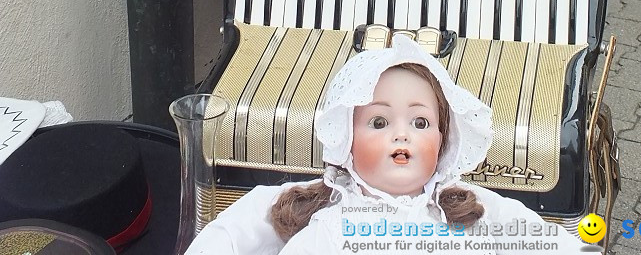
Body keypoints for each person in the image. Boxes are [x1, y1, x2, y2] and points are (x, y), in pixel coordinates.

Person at [184, 34, 582, 254]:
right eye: (378, 121)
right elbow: (232, 234)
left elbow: (537, 237)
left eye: (421, 121)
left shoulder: (464, 207)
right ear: (347, 140)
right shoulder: (330, 226)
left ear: (443, 142)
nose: (401, 134)